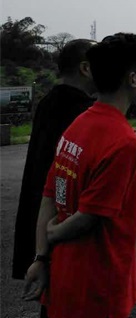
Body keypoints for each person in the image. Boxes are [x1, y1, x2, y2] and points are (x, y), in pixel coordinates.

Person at [23, 33, 136, 318]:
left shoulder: (78, 124)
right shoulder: (122, 142)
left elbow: (48, 197)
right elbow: (91, 216)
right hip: (97, 290)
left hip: (62, 281)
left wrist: (41, 257)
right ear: (132, 79)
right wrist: (52, 235)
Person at [12, 39, 96, 282]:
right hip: (64, 226)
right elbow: (61, 175)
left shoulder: (50, 101)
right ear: (86, 68)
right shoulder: (81, 111)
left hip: (43, 219)